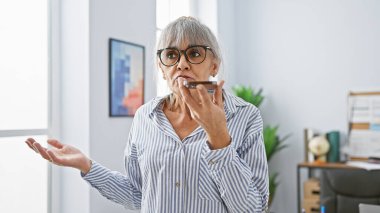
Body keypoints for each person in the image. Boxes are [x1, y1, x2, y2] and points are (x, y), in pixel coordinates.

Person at [25, 16, 269, 212]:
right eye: (171, 55)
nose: (181, 64)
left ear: (214, 65)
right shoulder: (145, 117)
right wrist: (87, 165)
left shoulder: (245, 117)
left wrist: (219, 139)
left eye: (194, 53)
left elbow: (253, 208)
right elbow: (139, 195)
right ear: (162, 68)